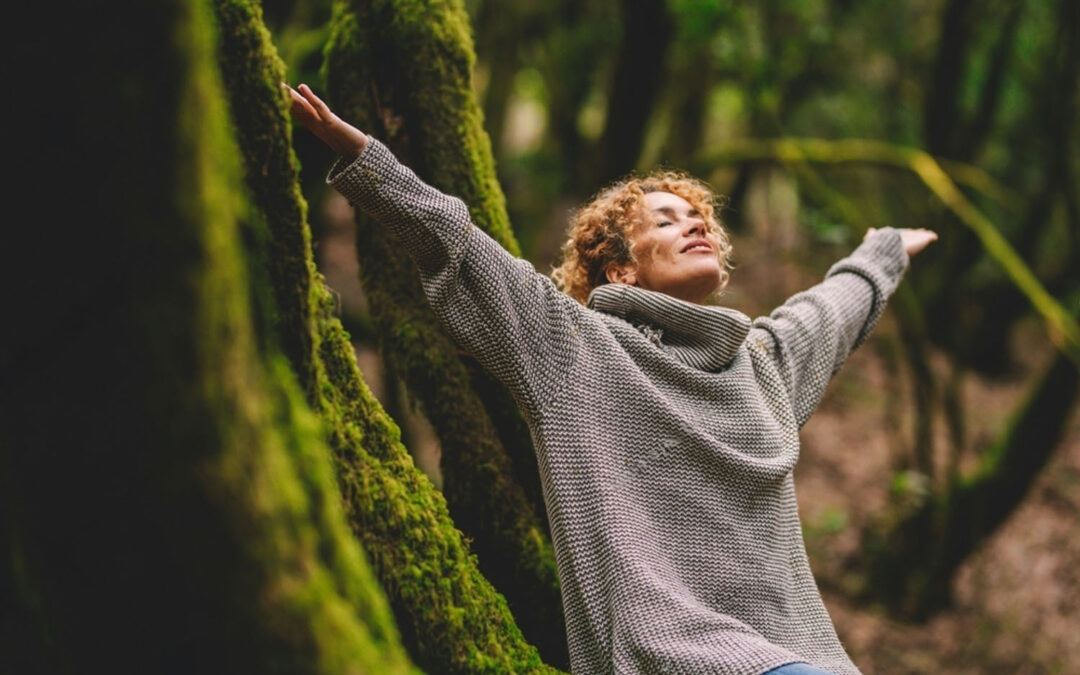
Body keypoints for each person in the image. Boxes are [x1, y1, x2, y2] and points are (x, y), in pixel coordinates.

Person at [287, 83, 937, 675]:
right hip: (671, 657)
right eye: (666, 219)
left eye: (701, 220)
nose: (695, 224)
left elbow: (825, 313)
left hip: (798, 656)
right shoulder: (574, 350)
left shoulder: (759, 366)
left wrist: (880, 254)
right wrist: (368, 160)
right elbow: (461, 248)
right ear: (620, 270)